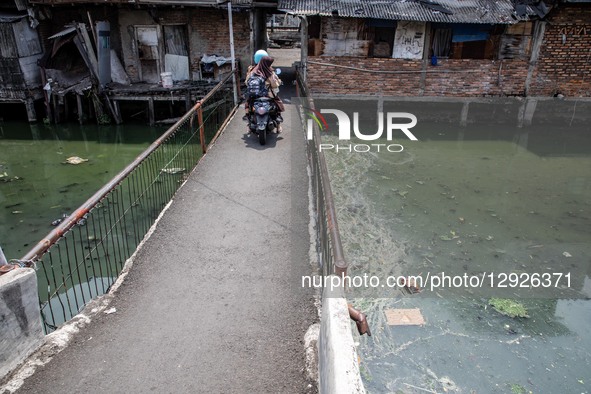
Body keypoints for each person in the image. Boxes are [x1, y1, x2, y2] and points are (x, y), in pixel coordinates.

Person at [246, 55, 284, 132]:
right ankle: (279, 126)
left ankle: (249, 126)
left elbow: (247, 82)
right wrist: (278, 82)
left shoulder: (252, 71)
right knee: (278, 105)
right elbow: (274, 85)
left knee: (248, 105)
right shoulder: (269, 73)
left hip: (254, 96)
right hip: (268, 96)